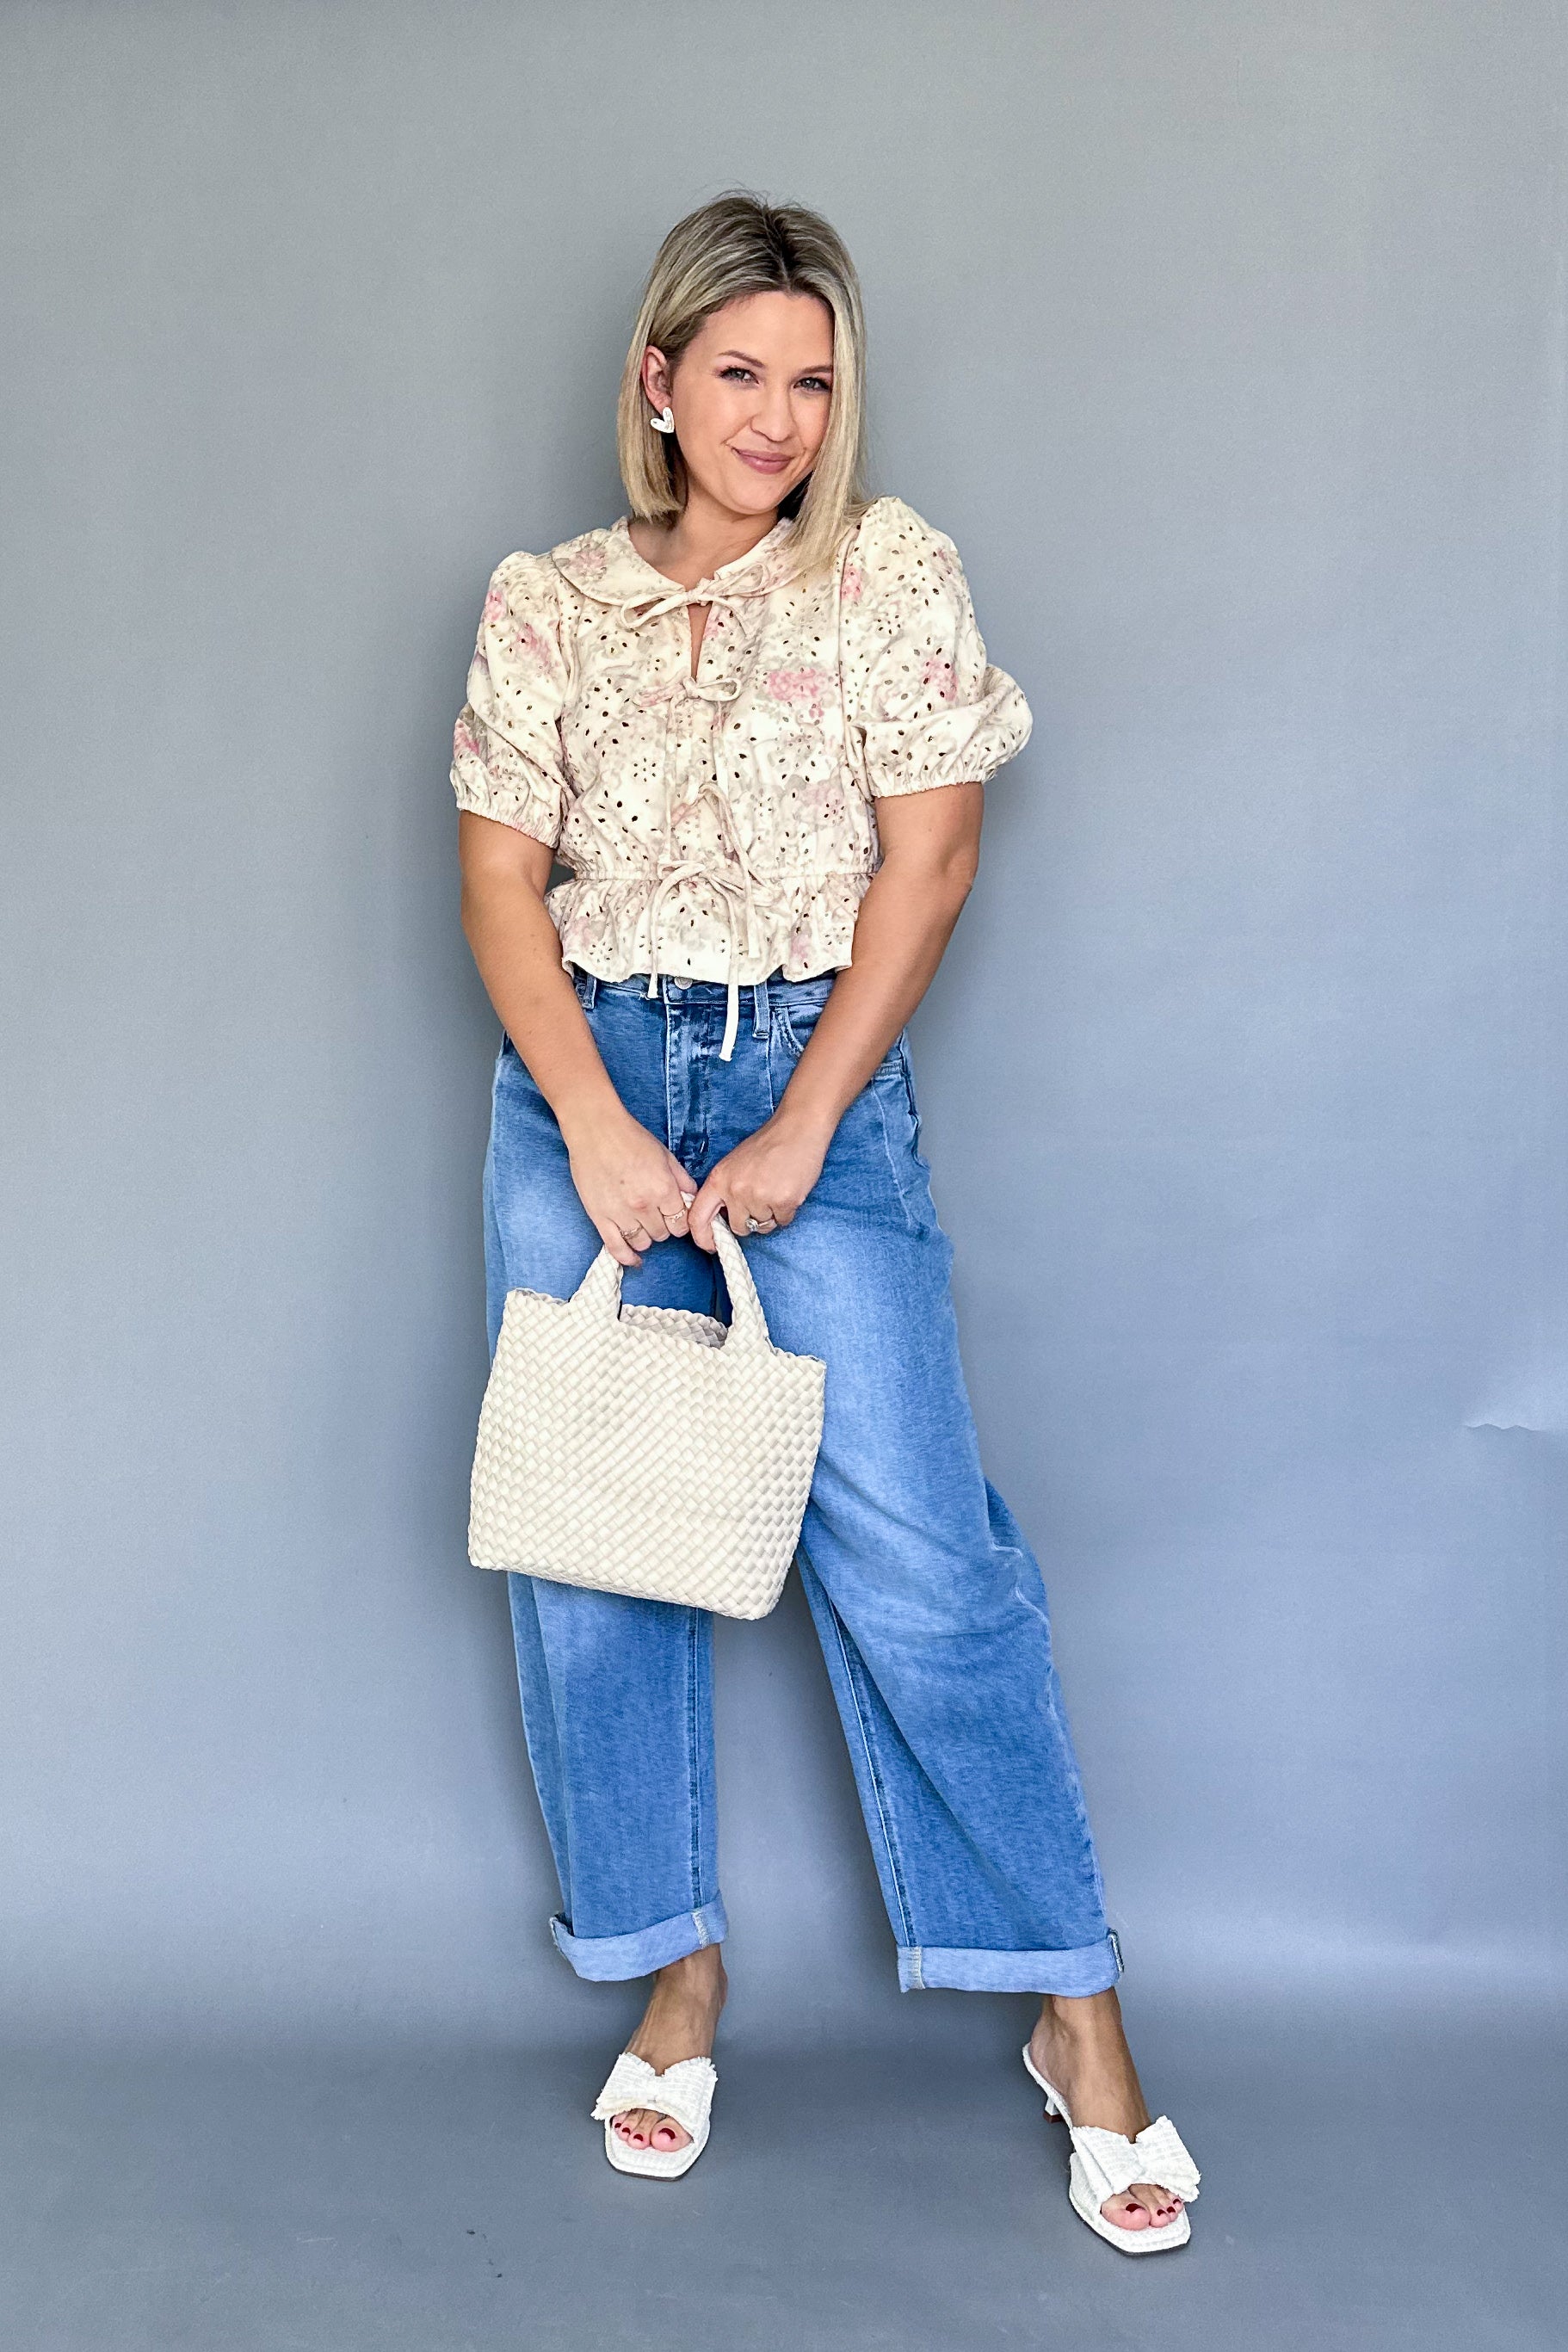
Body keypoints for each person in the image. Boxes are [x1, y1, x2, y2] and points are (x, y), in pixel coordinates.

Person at [451, 191, 1198, 2252]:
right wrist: (595, 1126)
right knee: (593, 1550)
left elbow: (928, 863)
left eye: (809, 378)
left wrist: (801, 1120)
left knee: (928, 1562)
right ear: (656, 381)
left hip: (811, 1073)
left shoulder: (885, 572)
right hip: (586, 1079)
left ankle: (1072, 2013)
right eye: (736, 373)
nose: (775, 417)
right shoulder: (544, 602)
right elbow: (502, 879)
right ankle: (672, 1971)